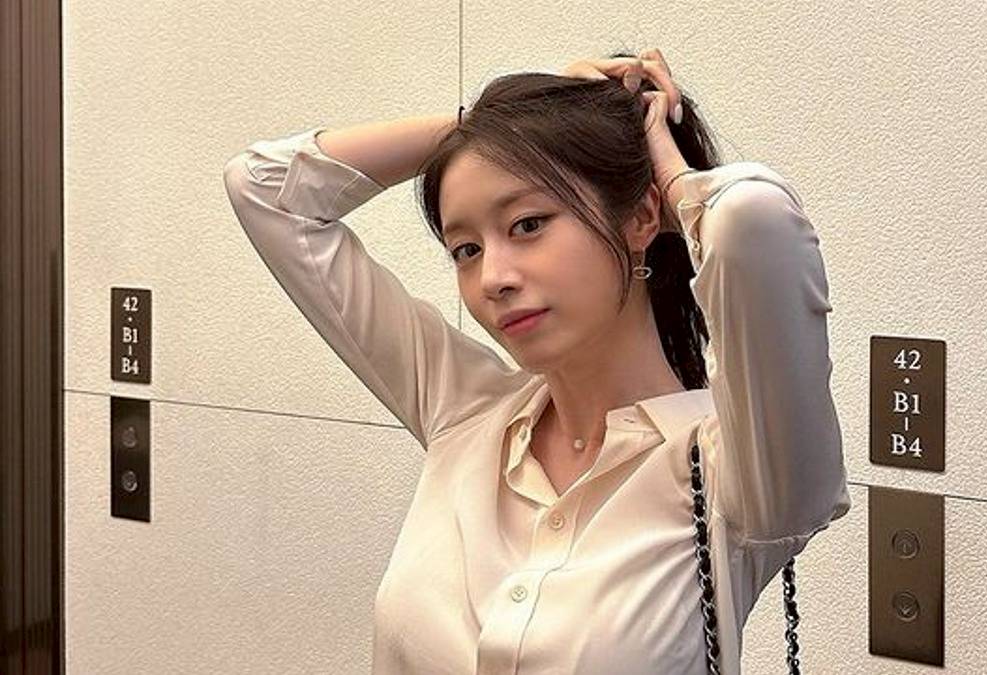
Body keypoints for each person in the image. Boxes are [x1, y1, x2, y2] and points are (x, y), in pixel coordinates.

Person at [222, 48, 851, 675]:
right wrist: (485, 127)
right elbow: (264, 188)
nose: (492, 278)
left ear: (641, 217)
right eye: (465, 249)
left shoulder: (739, 475)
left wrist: (669, 172)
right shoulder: (465, 413)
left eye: (527, 225)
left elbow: (753, 220)